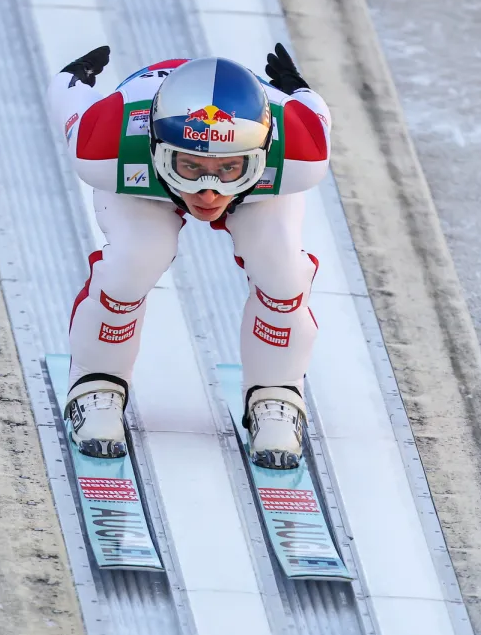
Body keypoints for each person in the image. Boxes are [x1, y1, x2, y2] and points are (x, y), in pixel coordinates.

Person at [47, 44, 331, 470]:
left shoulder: (301, 151)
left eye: (230, 168)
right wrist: (299, 89)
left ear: (264, 151)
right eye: (191, 166)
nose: (209, 191)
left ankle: (278, 389)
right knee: (135, 259)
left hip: (165, 173)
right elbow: (77, 117)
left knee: (282, 268)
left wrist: (72, 79)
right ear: (155, 144)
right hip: (150, 176)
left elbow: (69, 99)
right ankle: (95, 380)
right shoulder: (107, 143)